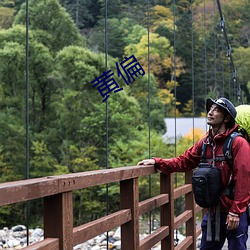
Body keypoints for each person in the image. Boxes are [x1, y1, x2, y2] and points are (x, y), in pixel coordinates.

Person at [137, 97, 250, 250]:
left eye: (216, 110)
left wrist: (236, 212)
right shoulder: (205, 143)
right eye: (210, 109)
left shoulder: (238, 143)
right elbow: (184, 161)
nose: (210, 112)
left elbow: (244, 178)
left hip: (233, 211)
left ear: (227, 118)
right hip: (213, 211)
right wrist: (157, 162)